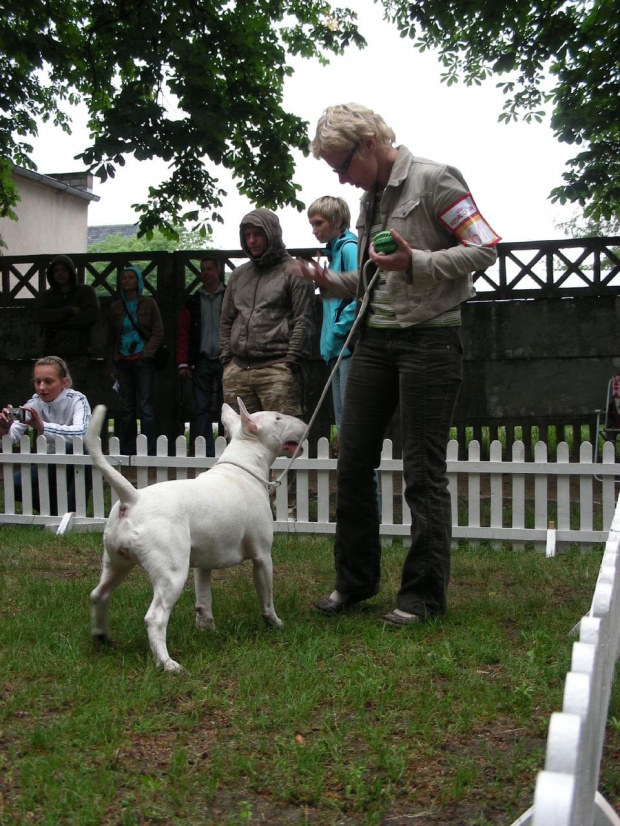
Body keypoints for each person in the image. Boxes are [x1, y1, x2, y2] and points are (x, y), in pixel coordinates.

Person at [296, 103, 500, 626]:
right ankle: (354, 583)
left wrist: (420, 262)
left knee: (421, 472)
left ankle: (422, 597)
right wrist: (328, 283)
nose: (341, 177)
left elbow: (485, 247)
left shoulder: (436, 179)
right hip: (374, 343)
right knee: (352, 460)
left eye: (342, 165)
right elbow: (373, 279)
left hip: (430, 341)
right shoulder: (369, 199)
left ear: (367, 143)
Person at [220, 208, 315, 416]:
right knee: (241, 442)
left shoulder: (296, 271)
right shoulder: (238, 275)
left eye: (258, 234)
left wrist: (291, 362)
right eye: (247, 235)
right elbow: (226, 320)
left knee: (283, 443)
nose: (252, 240)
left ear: (272, 234)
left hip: (277, 369)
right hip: (237, 371)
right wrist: (228, 361)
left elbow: (304, 320)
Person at [0, 356, 92, 514]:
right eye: (37, 381)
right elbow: (12, 436)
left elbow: (81, 433)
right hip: (49, 463)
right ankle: (55, 514)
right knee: (14, 485)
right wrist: (4, 428)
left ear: (65, 382)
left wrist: (42, 426)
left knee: (81, 451)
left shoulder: (78, 400)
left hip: (76, 461)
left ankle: (73, 514)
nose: (42, 387)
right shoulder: (34, 402)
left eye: (48, 382)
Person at [307, 196, 357, 437]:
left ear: (337, 221)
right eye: (312, 225)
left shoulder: (349, 248)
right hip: (337, 348)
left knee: (351, 423)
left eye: (318, 223)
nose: (314, 230)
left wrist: (339, 329)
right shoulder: (334, 253)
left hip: (348, 347)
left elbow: (363, 293)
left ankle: (364, 476)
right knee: (343, 422)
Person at [107, 265, 164, 456]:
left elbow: (158, 332)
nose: (127, 281)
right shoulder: (116, 307)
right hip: (123, 360)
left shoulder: (148, 303)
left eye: (131, 277)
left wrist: (147, 353)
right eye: (124, 278)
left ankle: (149, 449)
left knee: (146, 406)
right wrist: (112, 363)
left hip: (142, 360)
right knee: (127, 407)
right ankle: (128, 448)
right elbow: (111, 337)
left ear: (138, 281)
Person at [177, 254, 226, 455]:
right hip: (202, 360)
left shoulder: (230, 296)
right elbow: (183, 333)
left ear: (218, 271)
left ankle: (227, 447)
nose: (205, 273)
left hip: (226, 360)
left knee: (228, 407)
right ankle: (206, 450)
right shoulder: (193, 302)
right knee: (202, 408)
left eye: (209, 268)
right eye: (202, 269)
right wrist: (183, 362)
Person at [34, 254, 101, 392]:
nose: (60, 273)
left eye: (63, 269)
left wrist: (58, 323)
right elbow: (42, 317)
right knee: (52, 394)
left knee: (75, 393)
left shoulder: (85, 292)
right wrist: (69, 310)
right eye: (56, 270)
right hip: (53, 353)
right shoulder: (47, 296)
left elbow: (90, 317)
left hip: (78, 353)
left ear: (71, 271)